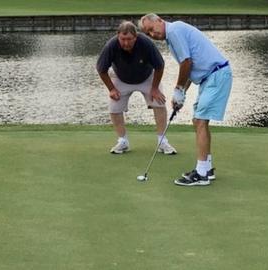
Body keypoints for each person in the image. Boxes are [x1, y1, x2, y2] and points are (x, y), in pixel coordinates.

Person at [139, 14, 233, 186]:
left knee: (200, 121)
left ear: (159, 20)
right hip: (210, 78)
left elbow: (186, 63)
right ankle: (207, 168)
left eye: (152, 29)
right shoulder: (173, 35)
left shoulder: (174, 30)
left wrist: (178, 90)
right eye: (148, 33)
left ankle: (201, 173)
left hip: (216, 75)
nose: (152, 34)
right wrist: (182, 94)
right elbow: (189, 67)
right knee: (198, 121)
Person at [96, 21, 177, 155]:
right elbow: (101, 69)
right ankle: (123, 141)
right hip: (121, 78)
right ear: (118, 36)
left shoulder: (146, 43)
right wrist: (111, 89)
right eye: (123, 39)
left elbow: (160, 66)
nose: (126, 43)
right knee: (114, 107)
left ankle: (162, 141)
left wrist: (155, 88)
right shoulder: (111, 45)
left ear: (136, 37)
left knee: (159, 103)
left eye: (129, 39)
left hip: (147, 77)